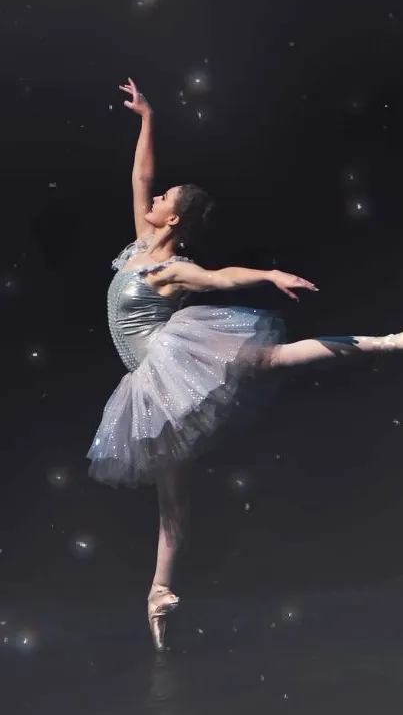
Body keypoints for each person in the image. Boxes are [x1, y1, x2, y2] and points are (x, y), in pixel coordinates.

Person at [87, 78, 403, 653]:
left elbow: (220, 279)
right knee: (172, 498)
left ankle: (385, 341)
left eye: (164, 203)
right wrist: (147, 117)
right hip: (147, 383)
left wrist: (267, 276)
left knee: (271, 356)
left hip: (169, 362)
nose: (154, 203)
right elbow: (140, 177)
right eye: (158, 201)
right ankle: (159, 593)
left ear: (174, 222)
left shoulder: (171, 269)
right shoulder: (139, 244)